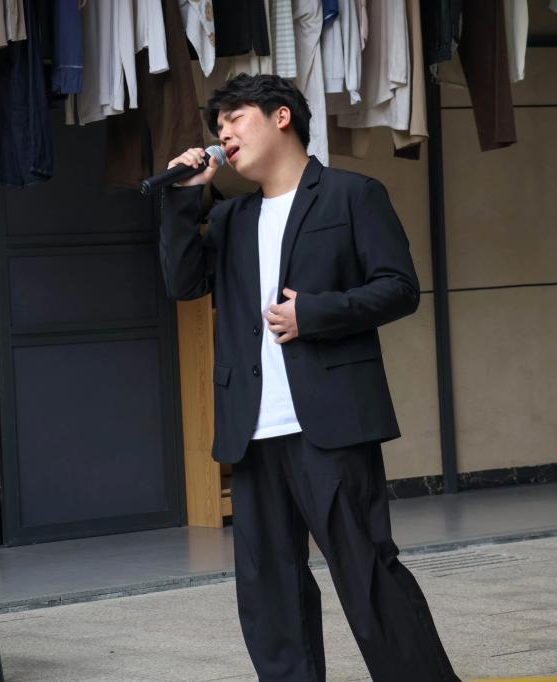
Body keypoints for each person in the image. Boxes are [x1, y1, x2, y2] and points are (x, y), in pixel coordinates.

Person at [159, 73, 458, 681]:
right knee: (268, 588)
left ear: (281, 117)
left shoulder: (352, 195)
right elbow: (183, 283)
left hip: (332, 421)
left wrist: (314, 313)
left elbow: (399, 288)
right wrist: (184, 197)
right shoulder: (231, 218)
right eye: (218, 127)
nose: (223, 134)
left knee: (367, 571)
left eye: (235, 119)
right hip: (251, 428)